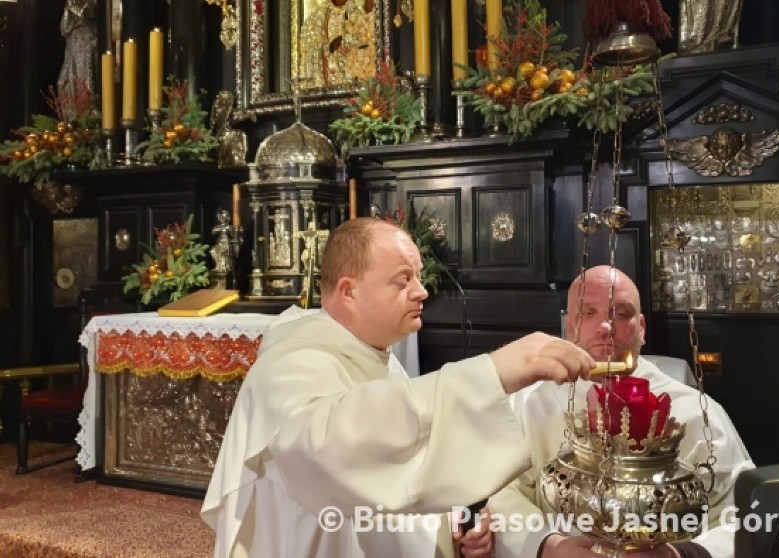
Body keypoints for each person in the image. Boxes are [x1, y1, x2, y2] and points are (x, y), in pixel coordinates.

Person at [201, 217, 597, 558]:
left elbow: (398, 466)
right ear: (349, 291)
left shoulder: (376, 357)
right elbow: (333, 445)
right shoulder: (291, 366)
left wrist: (456, 518)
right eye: (402, 280)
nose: (421, 291)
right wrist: (494, 371)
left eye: (419, 277)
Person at [489, 265, 754, 558]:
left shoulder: (693, 410)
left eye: (622, 313)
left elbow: (745, 513)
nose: (606, 326)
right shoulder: (530, 404)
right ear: (569, 325)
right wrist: (549, 546)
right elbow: (501, 493)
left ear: (641, 328)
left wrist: (681, 555)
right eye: (588, 313)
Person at [57, 0, 98, 102]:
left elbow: (89, 16)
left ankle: (87, 109)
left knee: (85, 75)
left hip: (87, 41)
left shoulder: (92, 0)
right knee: (64, 80)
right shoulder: (70, 1)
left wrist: (79, 11)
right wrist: (71, 11)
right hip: (73, 42)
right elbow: (64, 27)